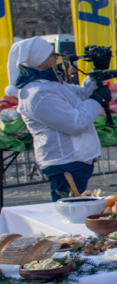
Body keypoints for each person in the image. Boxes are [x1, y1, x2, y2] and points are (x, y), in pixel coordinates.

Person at [6, 37, 109, 200]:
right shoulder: (37, 94)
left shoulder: (50, 84)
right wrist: (96, 101)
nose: (57, 57)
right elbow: (76, 123)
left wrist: (96, 73)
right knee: (71, 211)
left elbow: (81, 94)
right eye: (52, 54)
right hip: (65, 163)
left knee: (77, 208)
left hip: (75, 160)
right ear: (39, 63)